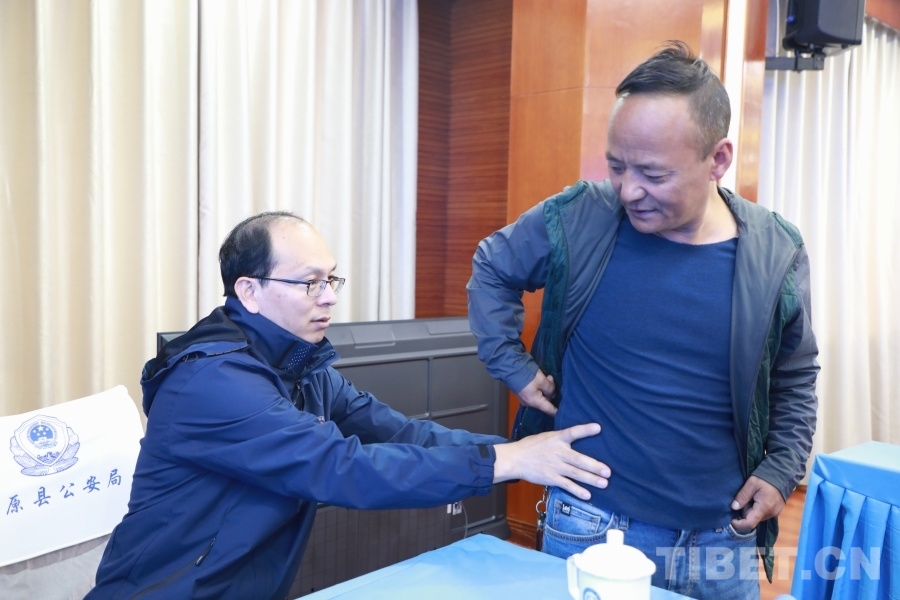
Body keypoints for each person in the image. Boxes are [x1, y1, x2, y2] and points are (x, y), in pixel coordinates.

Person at [86, 212, 612, 599]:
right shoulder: (212, 381)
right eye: (308, 283)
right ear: (249, 291)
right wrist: (506, 462)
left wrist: (520, 452)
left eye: (330, 279)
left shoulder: (303, 368)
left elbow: (402, 432)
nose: (329, 297)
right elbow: (342, 467)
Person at [466, 41, 818, 599]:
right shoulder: (581, 216)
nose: (629, 190)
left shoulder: (775, 250)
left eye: (653, 173)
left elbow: (795, 374)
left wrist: (782, 469)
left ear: (718, 160)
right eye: (617, 166)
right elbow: (492, 266)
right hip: (593, 527)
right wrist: (512, 364)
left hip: (722, 539)